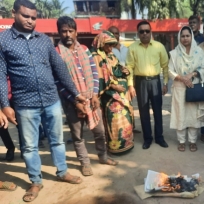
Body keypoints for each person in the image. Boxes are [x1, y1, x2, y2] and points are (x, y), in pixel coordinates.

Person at [0, 0, 84, 202]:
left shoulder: (44, 40)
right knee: (29, 147)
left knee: (57, 140)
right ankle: (35, 181)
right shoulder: (4, 41)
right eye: (25, 16)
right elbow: (1, 75)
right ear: (14, 13)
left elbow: (60, 69)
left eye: (33, 18)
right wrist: (4, 105)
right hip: (25, 103)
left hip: (51, 100)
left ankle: (62, 171)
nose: (30, 21)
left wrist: (75, 93)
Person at [56, 16, 118, 176]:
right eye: (64, 31)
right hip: (72, 103)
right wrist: (74, 101)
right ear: (59, 33)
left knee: (99, 131)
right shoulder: (57, 53)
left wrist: (95, 95)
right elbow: (58, 83)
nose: (68, 34)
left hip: (92, 100)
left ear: (76, 32)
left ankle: (103, 156)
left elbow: (94, 73)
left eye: (71, 31)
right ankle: (85, 163)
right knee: (78, 136)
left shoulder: (84, 50)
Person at [126, 21, 169, 149]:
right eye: (141, 31)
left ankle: (159, 138)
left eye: (147, 31)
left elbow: (165, 66)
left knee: (157, 111)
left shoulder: (159, 46)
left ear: (151, 32)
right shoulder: (132, 48)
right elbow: (130, 67)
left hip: (155, 82)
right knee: (143, 112)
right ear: (138, 33)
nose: (144, 33)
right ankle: (147, 139)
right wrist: (130, 85)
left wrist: (165, 83)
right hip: (140, 82)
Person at [90, 30, 134, 154]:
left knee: (124, 120)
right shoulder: (96, 57)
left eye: (112, 45)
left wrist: (124, 71)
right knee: (114, 122)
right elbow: (98, 80)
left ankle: (127, 144)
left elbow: (116, 71)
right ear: (101, 43)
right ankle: (116, 148)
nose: (111, 48)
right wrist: (114, 87)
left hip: (120, 94)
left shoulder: (111, 55)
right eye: (108, 45)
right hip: (109, 97)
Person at [168, 26, 204, 152]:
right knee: (180, 114)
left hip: (194, 88)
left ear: (191, 37)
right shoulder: (174, 53)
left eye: (187, 36)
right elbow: (169, 71)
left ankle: (192, 141)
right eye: (183, 36)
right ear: (179, 37)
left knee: (193, 116)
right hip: (180, 88)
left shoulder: (199, 52)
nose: (185, 38)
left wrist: (192, 74)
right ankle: (181, 141)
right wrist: (182, 78)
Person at [108, 26, 141, 134]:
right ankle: (117, 131)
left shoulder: (126, 49)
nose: (115, 36)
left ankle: (131, 128)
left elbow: (132, 65)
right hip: (113, 83)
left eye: (117, 33)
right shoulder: (106, 50)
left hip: (127, 82)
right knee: (116, 107)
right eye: (112, 33)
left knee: (129, 105)